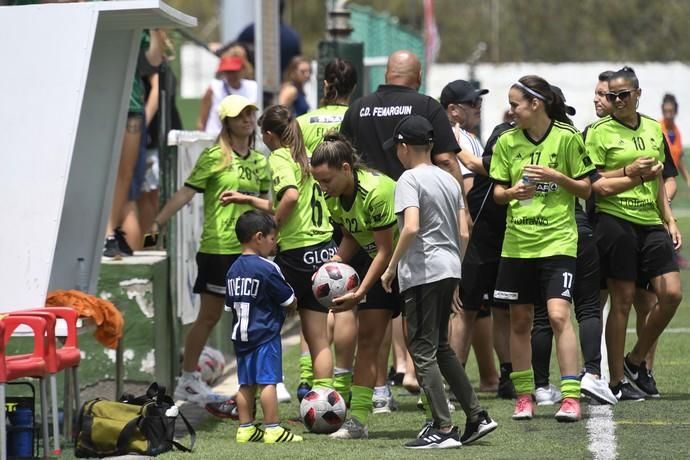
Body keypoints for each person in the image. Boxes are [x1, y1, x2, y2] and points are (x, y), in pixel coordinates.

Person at [340, 49, 465, 412]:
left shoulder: (359, 107)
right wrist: (462, 209)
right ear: (419, 75)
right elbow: (445, 159)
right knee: (424, 331)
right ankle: (434, 403)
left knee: (372, 324)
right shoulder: (427, 105)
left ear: (387, 73)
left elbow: (342, 157)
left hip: (370, 232)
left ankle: (374, 397)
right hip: (420, 236)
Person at [381, 115, 498, 449]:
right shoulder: (450, 179)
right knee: (441, 347)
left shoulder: (407, 180)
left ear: (404, 147)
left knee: (421, 348)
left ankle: (444, 428)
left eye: (397, 148)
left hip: (423, 271)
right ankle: (476, 415)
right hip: (449, 267)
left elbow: (411, 227)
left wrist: (391, 268)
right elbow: (464, 231)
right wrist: (456, 272)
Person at [489, 75, 596, 422]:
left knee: (558, 315)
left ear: (536, 104)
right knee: (519, 321)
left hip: (558, 242)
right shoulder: (506, 142)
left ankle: (569, 397)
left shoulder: (567, 138)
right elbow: (497, 194)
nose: (511, 110)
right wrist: (512, 194)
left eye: (516, 103)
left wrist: (556, 177)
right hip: (517, 245)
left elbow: (585, 189)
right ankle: (525, 396)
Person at [152, 95, 268, 413]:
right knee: (210, 316)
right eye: (240, 115)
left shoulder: (260, 161)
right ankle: (188, 379)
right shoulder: (214, 156)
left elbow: (267, 204)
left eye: (250, 113)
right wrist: (157, 222)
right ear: (227, 121)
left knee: (254, 317)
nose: (247, 119)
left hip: (249, 251)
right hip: (217, 249)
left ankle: (258, 382)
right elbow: (186, 192)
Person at [221, 105, 338, 401]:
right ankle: (325, 403)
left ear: (270, 135)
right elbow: (290, 199)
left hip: (296, 253)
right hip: (323, 250)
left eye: (263, 134)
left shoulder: (280, 157)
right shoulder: (307, 157)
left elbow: (290, 197)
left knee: (263, 321)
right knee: (318, 338)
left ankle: (260, 390)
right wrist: (248, 199)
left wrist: (273, 227)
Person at [585, 66, 682, 400]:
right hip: (614, 220)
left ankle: (635, 360)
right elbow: (594, 183)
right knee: (622, 301)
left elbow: (659, 179)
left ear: (638, 94)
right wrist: (630, 172)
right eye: (612, 96)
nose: (617, 101)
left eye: (623, 95)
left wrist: (668, 219)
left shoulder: (655, 129)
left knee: (671, 294)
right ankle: (615, 381)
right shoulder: (598, 131)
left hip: (650, 220)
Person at [528, 85, 618, 406]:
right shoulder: (570, 137)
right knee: (588, 307)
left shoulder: (520, 140)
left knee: (543, 315)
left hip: (536, 236)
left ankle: (541, 386)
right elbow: (591, 186)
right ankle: (592, 374)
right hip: (573, 230)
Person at [310, 132, 399, 440]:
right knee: (369, 340)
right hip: (380, 267)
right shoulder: (333, 197)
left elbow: (386, 250)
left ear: (346, 169)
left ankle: (437, 414)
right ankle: (357, 419)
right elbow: (352, 237)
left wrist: (361, 291)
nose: (323, 188)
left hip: (413, 267)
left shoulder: (377, 191)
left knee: (422, 345)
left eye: (326, 180)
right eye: (318, 182)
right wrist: (331, 265)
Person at [293, 58, 359, 401]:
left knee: (313, 304)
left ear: (325, 85)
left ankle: (307, 377)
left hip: (310, 224)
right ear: (354, 87)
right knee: (345, 301)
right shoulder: (355, 119)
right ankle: (342, 383)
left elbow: (292, 176)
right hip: (348, 216)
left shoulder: (301, 123)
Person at [440, 79, 504, 395]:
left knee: (474, 306)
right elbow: (467, 190)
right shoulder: (460, 139)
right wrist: (468, 229)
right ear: (453, 110)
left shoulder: (452, 136)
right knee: (463, 307)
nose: (478, 108)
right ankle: (453, 381)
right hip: (465, 234)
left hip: (455, 233)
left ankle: (491, 376)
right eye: (472, 104)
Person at [227, 210, 302, 444]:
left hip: (241, 337)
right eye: (272, 238)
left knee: (245, 384)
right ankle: (273, 428)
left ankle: (245, 428)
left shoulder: (232, 270)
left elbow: (230, 307)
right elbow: (289, 300)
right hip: (265, 334)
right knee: (268, 381)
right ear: (259, 237)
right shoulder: (268, 268)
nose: (274, 243)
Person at [104, 29, 164, 257]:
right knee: (138, 202)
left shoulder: (147, 36)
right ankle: (144, 244)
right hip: (148, 141)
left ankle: (152, 245)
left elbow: (153, 67)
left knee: (149, 203)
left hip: (154, 143)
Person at [197, 54, 258, 136]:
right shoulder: (214, 88)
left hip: (242, 139)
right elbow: (201, 121)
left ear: (242, 70)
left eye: (234, 71)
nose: (231, 75)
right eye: (228, 72)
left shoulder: (252, 87)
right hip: (215, 138)